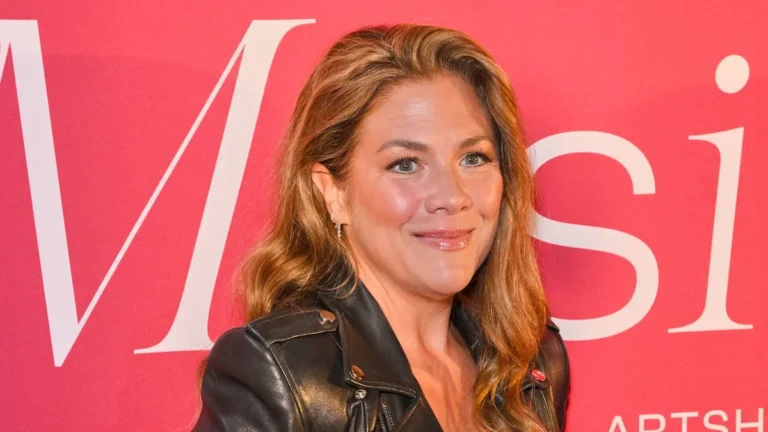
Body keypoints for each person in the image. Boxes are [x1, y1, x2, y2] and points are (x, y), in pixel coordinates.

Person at [193, 23, 569, 432]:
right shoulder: (285, 377)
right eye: (406, 164)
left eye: (473, 158)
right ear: (332, 193)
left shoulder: (531, 364)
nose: (452, 195)